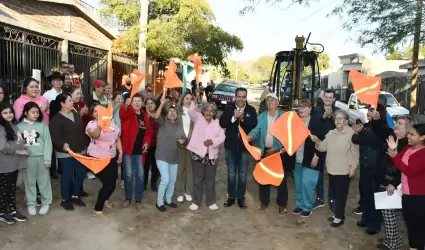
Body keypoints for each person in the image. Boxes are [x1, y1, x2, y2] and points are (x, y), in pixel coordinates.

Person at [311, 109, 359, 227]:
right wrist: (317, 141)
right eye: (336, 118)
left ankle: (338, 218)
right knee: (335, 194)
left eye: (341, 118)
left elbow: (355, 152)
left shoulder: (351, 133)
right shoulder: (331, 133)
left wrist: (353, 167)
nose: (338, 120)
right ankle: (338, 214)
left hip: (344, 170)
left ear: (346, 121)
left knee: (341, 195)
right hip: (332, 169)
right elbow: (322, 148)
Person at [248, 93, 292, 214]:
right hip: (264, 151)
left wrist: (276, 148)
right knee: (264, 177)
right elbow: (256, 130)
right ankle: (264, 202)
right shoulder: (262, 116)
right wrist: (251, 136)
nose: (270, 102)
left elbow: (288, 135)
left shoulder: (283, 116)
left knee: (281, 179)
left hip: (278, 152)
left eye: (273, 100)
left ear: (278, 103)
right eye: (268, 100)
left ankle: (282, 204)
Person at [352, 105, 391, 235]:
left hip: (375, 166)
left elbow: (376, 143)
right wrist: (358, 132)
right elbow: (356, 140)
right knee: (366, 194)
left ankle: (375, 225)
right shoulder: (366, 126)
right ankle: (366, 219)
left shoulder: (384, 128)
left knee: (375, 196)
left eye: (372, 111)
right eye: (369, 110)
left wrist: (362, 132)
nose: (370, 113)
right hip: (365, 165)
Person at [376, 116, 413, 250]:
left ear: (407, 128)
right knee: (386, 211)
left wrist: (393, 182)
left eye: (401, 124)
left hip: (395, 183)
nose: (396, 125)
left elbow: (401, 167)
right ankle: (391, 238)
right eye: (396, 122)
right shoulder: (393, 138)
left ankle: (393, 244)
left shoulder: (406, 145)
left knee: (388, 211)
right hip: (386, 179)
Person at [387, 124, 425, 250]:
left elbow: (409, 170)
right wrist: (395, 151)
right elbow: (400, 162)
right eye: (409, 133)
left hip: (418, 196)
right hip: (407, 193)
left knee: (417, 226)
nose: (408, 136)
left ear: (423, 137)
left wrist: (394, 157)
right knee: (410, 224)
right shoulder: (409, 147)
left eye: (412, 134)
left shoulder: (423, 153)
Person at [186, 90, 225, 211]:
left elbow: (222, 137)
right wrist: (196, 98)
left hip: (211, 155)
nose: (208, 113)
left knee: (210, 179)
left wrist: (212, 141)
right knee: (197, 179)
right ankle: (196, 202)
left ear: (214, 113)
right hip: (198, 154)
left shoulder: (218, 123)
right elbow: (191, 111)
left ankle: (211, 201)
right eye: (207, 110)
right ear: (203, 111)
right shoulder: (198, 118)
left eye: (211, 111)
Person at [49, 94, 89, 211]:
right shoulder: (56, 119)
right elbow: (54, 136)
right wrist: (63, 145)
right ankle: (65, 199)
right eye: (70, 100)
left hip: (80, 151)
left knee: (80, 174)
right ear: (62, 103)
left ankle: (75, 196)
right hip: (65, 153)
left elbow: (80, 131)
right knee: (67, 176)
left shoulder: (75, 114)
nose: (73, 102)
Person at [219, 87, 257, 209]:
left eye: (243, 97)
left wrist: (242, 118)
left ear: (246, 97)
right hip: (230, 147)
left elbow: (253, 125)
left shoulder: (251, 110)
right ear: (235, 97)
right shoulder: (229, 108)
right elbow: (222, 123)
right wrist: (234, 118)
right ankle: (231, 197)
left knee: (242, 174)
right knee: (231, 174)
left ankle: (241, 198)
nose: (241, 99)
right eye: (239, 96)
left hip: (245, 148)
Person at [86, 104, 122, 217]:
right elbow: (95, 135)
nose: (98, 113)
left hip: (111, 156)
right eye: (95, 111)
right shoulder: (91, 124)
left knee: (113, 182)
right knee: (107, 183)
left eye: (100, 110)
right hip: (97, 157)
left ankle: (105, 199)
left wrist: (120, 151)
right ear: (93, 114)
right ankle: (97, 209)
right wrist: (101, 124)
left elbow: (117, 137)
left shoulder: (112, 122)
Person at [152, 94, 187, 212]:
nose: (172, 114)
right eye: (170, 112)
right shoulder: (163, 123)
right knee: (165, 179)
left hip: (174, 158)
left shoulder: (179, 127)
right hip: (161, 156)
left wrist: (183, 141)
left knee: (172, 180)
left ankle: (168, 200)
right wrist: (162, 104)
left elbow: (184, 140)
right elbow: (156, 116)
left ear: (177, 115)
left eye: (174, 112)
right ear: (167, 114)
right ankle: (159, 202)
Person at [17, 102, 53, 216]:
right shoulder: (19, 127)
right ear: (25, 113)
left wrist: (48, 160)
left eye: (37, 112)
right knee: (29, 182)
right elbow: (17, 144)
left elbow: (48, 144)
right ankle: (31, 203)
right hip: (27, 159)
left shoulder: (42, 126)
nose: (36, 114)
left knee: (44, 182)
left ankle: (46, 202)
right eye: (33, 112)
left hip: (42, 158)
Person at [119, 93, 152, 210]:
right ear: (131, 103)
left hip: (140, 151)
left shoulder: (145, 116)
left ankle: (138, 199)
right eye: (135, 101)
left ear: (142, 103)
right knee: (127, 175)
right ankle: (128, 198)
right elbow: (122, 114)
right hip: (128, 149)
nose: (137, 103)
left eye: (139, 101)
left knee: (140, 175)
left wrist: (147, 143)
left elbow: (148, 133)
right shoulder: (129, 112)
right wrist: (125, 105)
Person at [292, 99, 323, 218]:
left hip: (311, 157)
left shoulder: (316, 122)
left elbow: (322, 140)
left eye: (305, 107)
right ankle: (300, 205)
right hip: (297, 157)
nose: (301, 109)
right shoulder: (295, 122)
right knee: (298, 183)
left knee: (307, 183)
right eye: (300, 106)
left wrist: (317, 155)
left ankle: (307, 207)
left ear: (310, 109)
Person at [0, 104, 29, 224]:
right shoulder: (1, 128)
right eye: (5, 113)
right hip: (4, 165)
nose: (9, 115)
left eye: (10, 112)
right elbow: (3, 147)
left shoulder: (14, 127)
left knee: (11, 189)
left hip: (14, 164)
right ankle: (2, 212)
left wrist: (24, 149)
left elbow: (19, 142)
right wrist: (20, 151)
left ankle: (12, 210)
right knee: (3, 190)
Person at [311, 89, 338, 211]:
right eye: (326, 97)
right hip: (318, 146)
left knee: (332, 174)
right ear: (323, 98)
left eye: (330, 97)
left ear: (334, 99)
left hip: (332, 148)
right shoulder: (316, 111)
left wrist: (331, 117)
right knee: (319, 174)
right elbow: (313, 127)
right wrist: (323, 117)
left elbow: (340, 127)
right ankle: (320, 199)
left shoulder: (338, 113)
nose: (328, 99)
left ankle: (332, 200)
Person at [175, 92, 194, 203]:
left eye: (190, 99)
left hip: (191, 146)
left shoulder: (194, 114)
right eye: (186, 98)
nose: (188, 101)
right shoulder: (177, 112)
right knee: (180, 170)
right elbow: (173, 127)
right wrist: (179, 139)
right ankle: (180, 192)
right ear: (182, 100)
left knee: (190, 170)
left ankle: (188, 192)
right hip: (179, 145)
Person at [144, 97, 160, 192]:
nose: (150, 105)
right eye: (148, 103)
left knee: (155, 166)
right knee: (145, 165)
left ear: (155, 105)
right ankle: (144, 183)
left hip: (157, 144)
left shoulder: (159, 115)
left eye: (152, 103)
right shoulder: (143, 115)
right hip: (146, 144)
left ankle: (153, 183)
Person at [112, 91, 124, 188]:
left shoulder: (124, 107)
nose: (120, 100)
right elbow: (110, 113)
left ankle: (123, 179)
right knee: (114, 156)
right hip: (113, 135)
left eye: (121, 98)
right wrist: (118, 104)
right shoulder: (111, 106)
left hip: (123, 135)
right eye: (118, 98)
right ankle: (114, 177)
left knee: (123, 156)